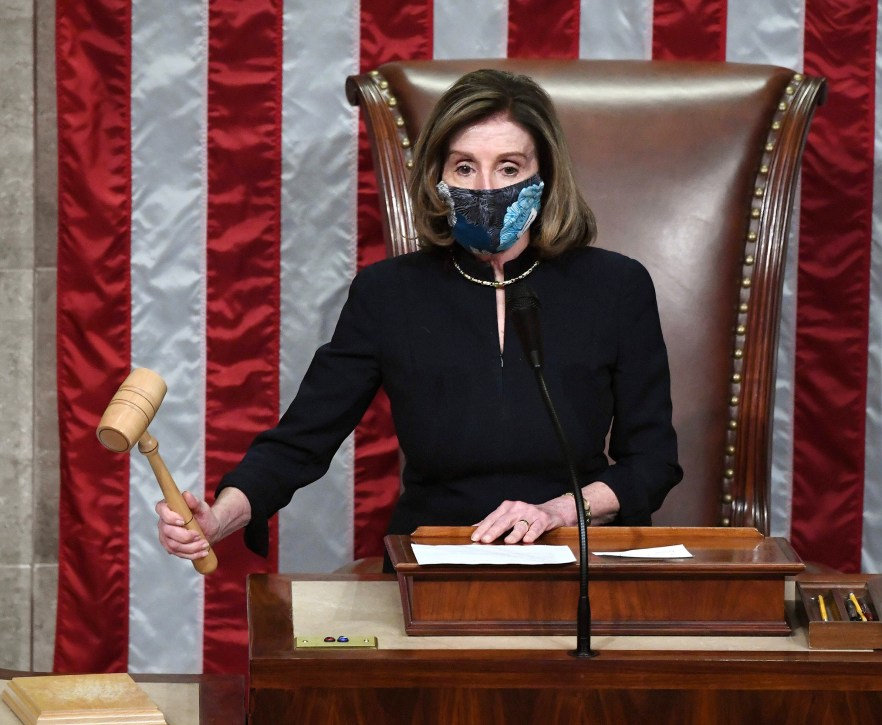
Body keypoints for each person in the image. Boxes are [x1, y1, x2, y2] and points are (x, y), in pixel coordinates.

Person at [156, 68, 683, 568]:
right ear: (438, 178)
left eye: (508, 167)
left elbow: (653, 462)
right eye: (463, 166)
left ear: (544, 174)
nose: (484, 187)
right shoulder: (389, 293)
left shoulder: (616, 285)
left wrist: (557, 511)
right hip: (436, 556)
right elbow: (304, 438)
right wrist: (222, 515)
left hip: (575, 552)